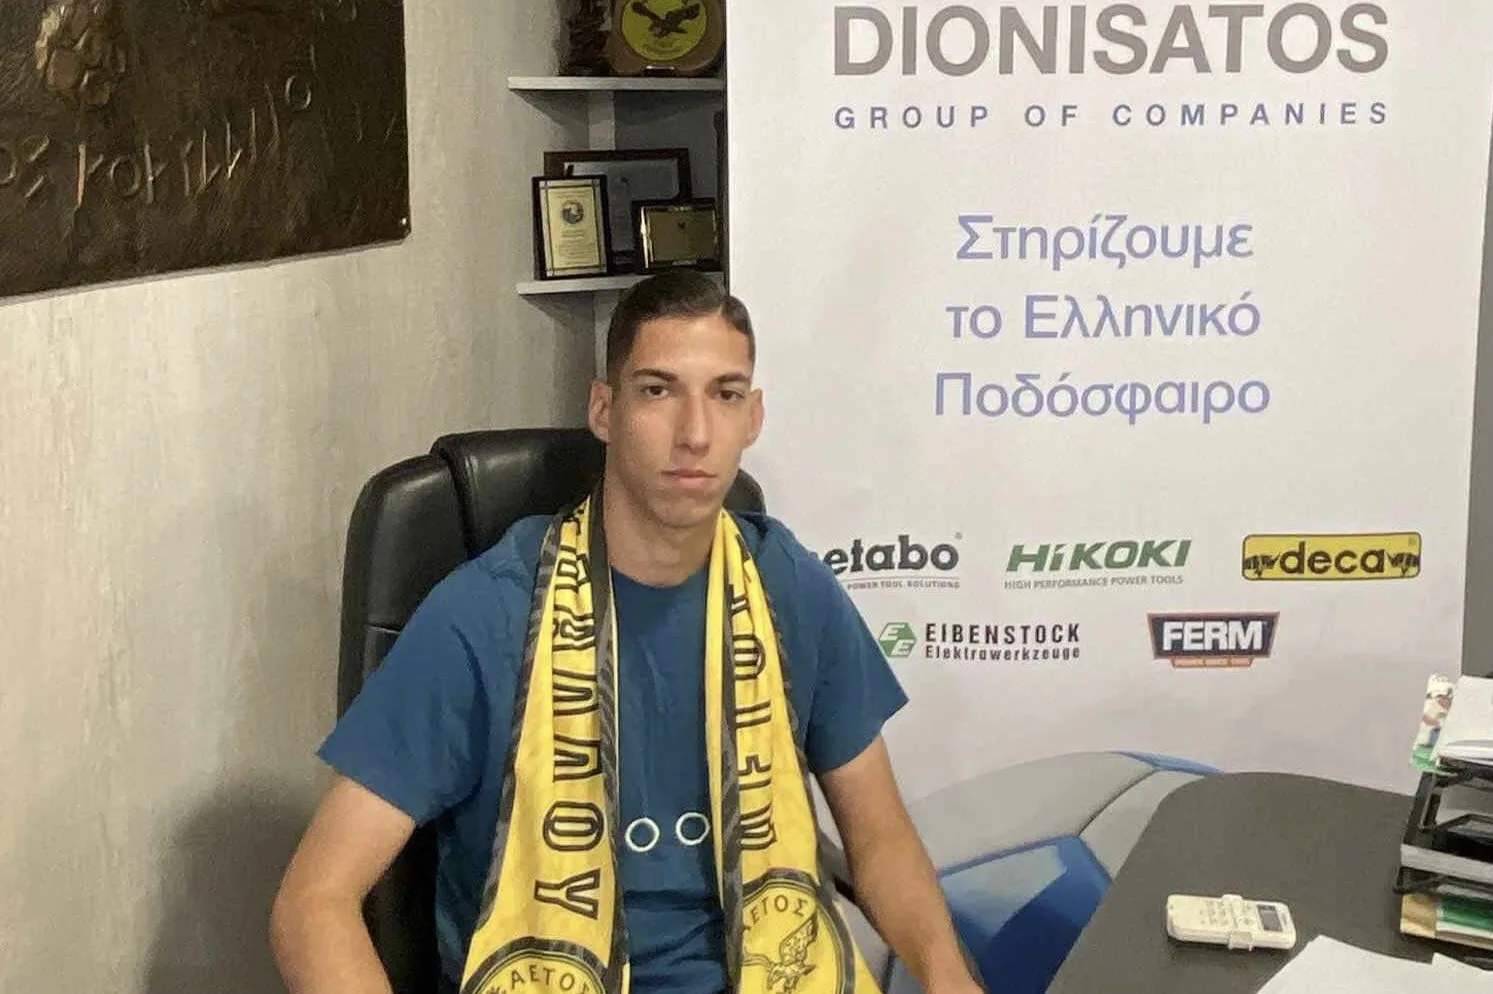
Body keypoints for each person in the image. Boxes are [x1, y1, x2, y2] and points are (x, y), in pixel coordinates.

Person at [269, 271, 985, 994]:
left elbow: (879, 838)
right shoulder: (481, 615)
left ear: (753, 418)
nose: (695, 433)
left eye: (724, 394)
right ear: (604, 410)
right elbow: (312, 904)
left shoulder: (789, 586)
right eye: (658, 390)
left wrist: (950, 978)